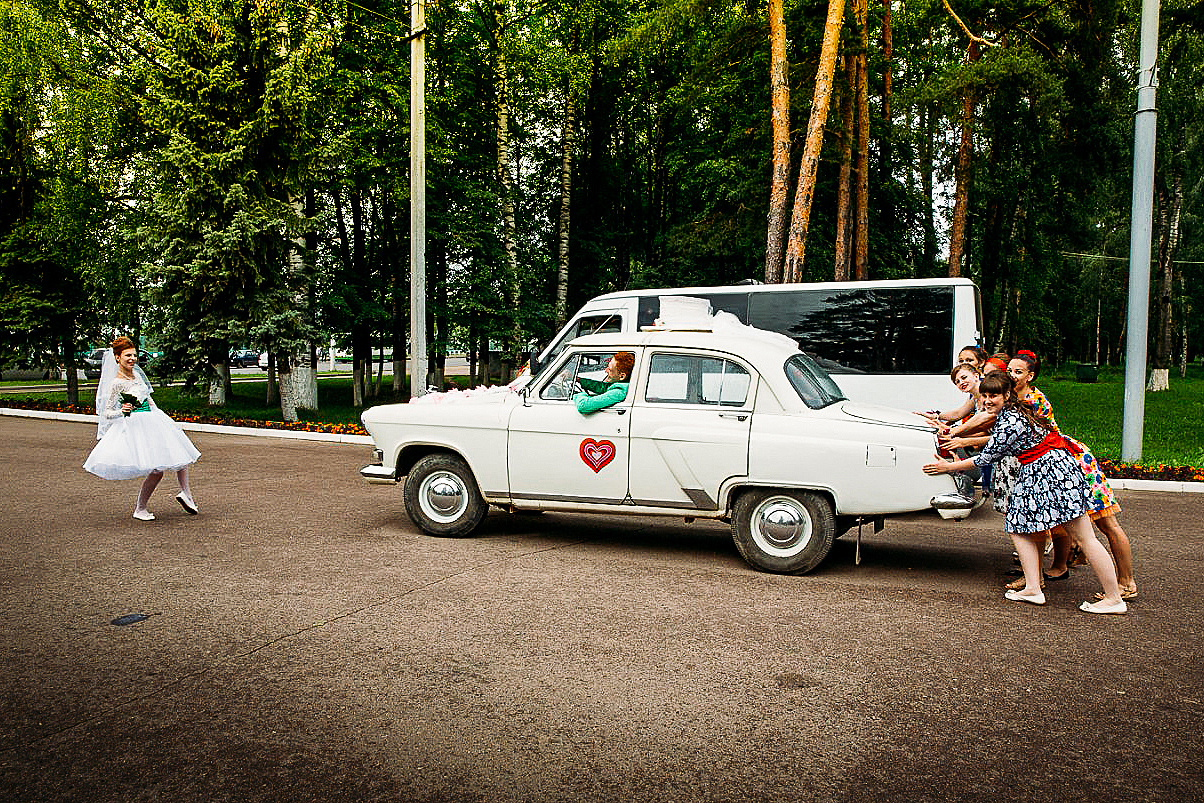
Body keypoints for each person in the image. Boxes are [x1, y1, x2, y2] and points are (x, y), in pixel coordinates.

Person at [923, 372, 1126, 614]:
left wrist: (949, 466)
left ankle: (1113, 598)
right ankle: (1033, 588)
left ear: (1006, 395)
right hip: (1047, 471)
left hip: (1049, 473)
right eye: (985, 395)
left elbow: (987, 458)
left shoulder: (1010, 421)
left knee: (1083, 537)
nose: (987, 400)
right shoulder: (1015, 411)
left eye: (994, 395)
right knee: (1019, 527)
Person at [1006, 350, 1138, 599]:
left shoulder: (1034, 400)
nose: (1011, 375)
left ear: (1030, 376)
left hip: (1074, 461)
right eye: (1009, 370)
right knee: (1048, 522)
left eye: (1018, 371)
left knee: (1106, 523)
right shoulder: (1013, 397)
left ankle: (1126, 582)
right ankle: (1045, 573)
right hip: (1056, 462)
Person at [83, 337, 200, 520]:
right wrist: (122, 410)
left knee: (180, 454)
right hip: (136, 425)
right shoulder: (117, 383)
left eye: (134, 355)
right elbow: (106, 412)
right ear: (117, 357)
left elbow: (148, 398)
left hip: (153, 419)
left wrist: (160, 416)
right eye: (127, 355)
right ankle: (140, 508)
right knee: (157, 471)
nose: (132, 358)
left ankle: (187, 494)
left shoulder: (137, 375)